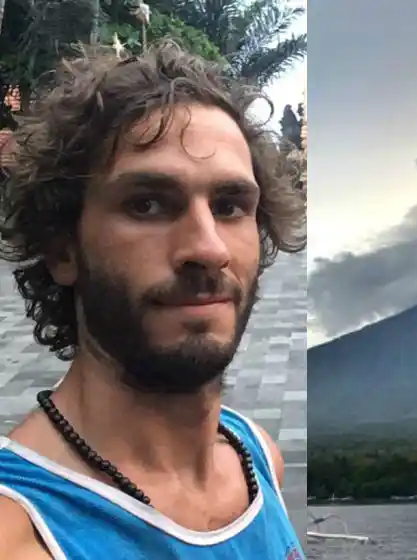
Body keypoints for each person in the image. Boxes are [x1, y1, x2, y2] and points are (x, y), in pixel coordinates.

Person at [0, 40, 306, 559]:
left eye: (230, 206)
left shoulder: (255, 457)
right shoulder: (22, 533)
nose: (208, 249)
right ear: (62, 248)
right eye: (146, 205)